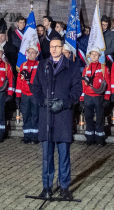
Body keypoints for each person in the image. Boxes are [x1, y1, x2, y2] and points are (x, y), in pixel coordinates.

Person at [30, 38, 82, 201]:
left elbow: (77, 89)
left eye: (56, 47)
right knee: (47, 155)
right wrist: (42, 100)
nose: (53, 49)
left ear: (62, 48)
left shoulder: (72, 66)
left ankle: (65, 187)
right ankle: (47, 186)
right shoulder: (43, 65)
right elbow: (35, 86)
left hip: (63, 115)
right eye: (51, 47)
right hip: (46, 115)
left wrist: (64, 103)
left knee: (64, 153)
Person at [79, 46, 111, 146]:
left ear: (99, 56)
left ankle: (100, 138)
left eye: (95, 54)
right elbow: (83, 85)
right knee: (88, 117)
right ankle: (89, 138)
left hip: (99, 97)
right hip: (88, 96)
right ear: (90, 56)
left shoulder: (103, 68)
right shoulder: (86, 69)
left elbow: (108, 84)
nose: (93, 56)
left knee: (100, 118)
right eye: (92, 54)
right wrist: (82, 98)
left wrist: (106, 98)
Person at [16, 43, 40, 144]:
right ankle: (26, 136)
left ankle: (35, 137)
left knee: (35, 115)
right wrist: (17, 96)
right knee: (25, 115)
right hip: (24, 95)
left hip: (35, 95)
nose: (30, 54)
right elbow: (19, 81)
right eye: (29, 52)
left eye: (33, 53)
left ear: (36, 54)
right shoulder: (23, 65)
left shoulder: (40, 65)